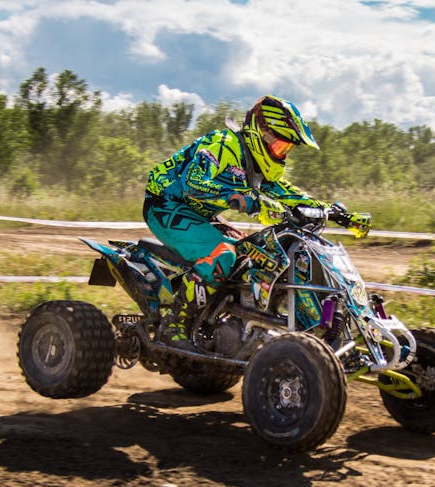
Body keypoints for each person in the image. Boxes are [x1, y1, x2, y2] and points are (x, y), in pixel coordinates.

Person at [143, 95, 347, 349]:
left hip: (201, 214)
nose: (282, 154)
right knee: (222, 256)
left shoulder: (255, 166)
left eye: (286, 149)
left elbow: (291, 195)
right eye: (280, 146)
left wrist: (335, 213)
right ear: (260, 132)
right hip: (167, 205)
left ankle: (223, 323)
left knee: (252, 256)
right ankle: (173, 324)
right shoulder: (223, 144)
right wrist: (243, 198)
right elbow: (193, 182)